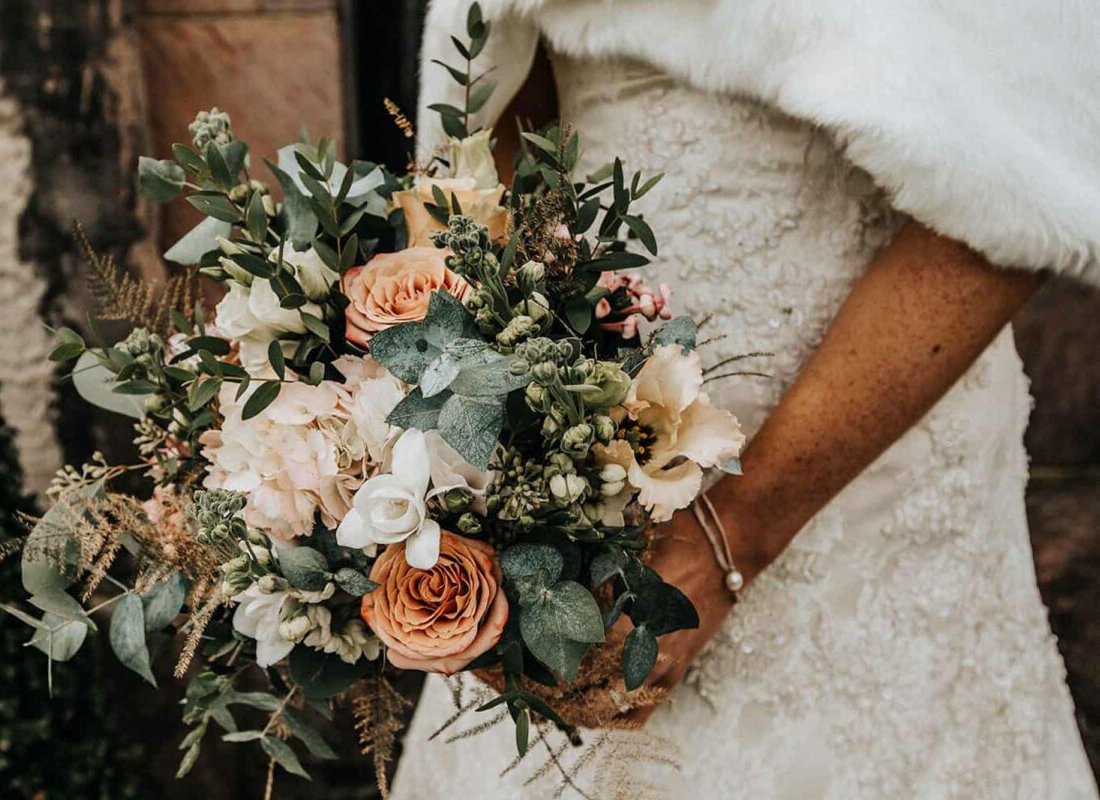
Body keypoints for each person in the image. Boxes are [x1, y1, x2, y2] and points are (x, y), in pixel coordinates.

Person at [393, 1, 1100, 797]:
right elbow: (496, 125)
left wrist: (732, 536)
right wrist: (469, 424)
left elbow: (1027, 173)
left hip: (856, 485)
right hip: (577, 489)